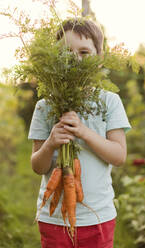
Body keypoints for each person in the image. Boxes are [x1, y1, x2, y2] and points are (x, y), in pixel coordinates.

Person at [28, 19, 131, 248]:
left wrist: (84, 132)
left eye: (84, 52)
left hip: (99, 217)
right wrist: (51, 143)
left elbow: (119, 156)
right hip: (52, 217)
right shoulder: (45, 106)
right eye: (66, 52)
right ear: (55, 59)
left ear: (99, 58)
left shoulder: (109, 101)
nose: (75, 58)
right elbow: (37, 166)